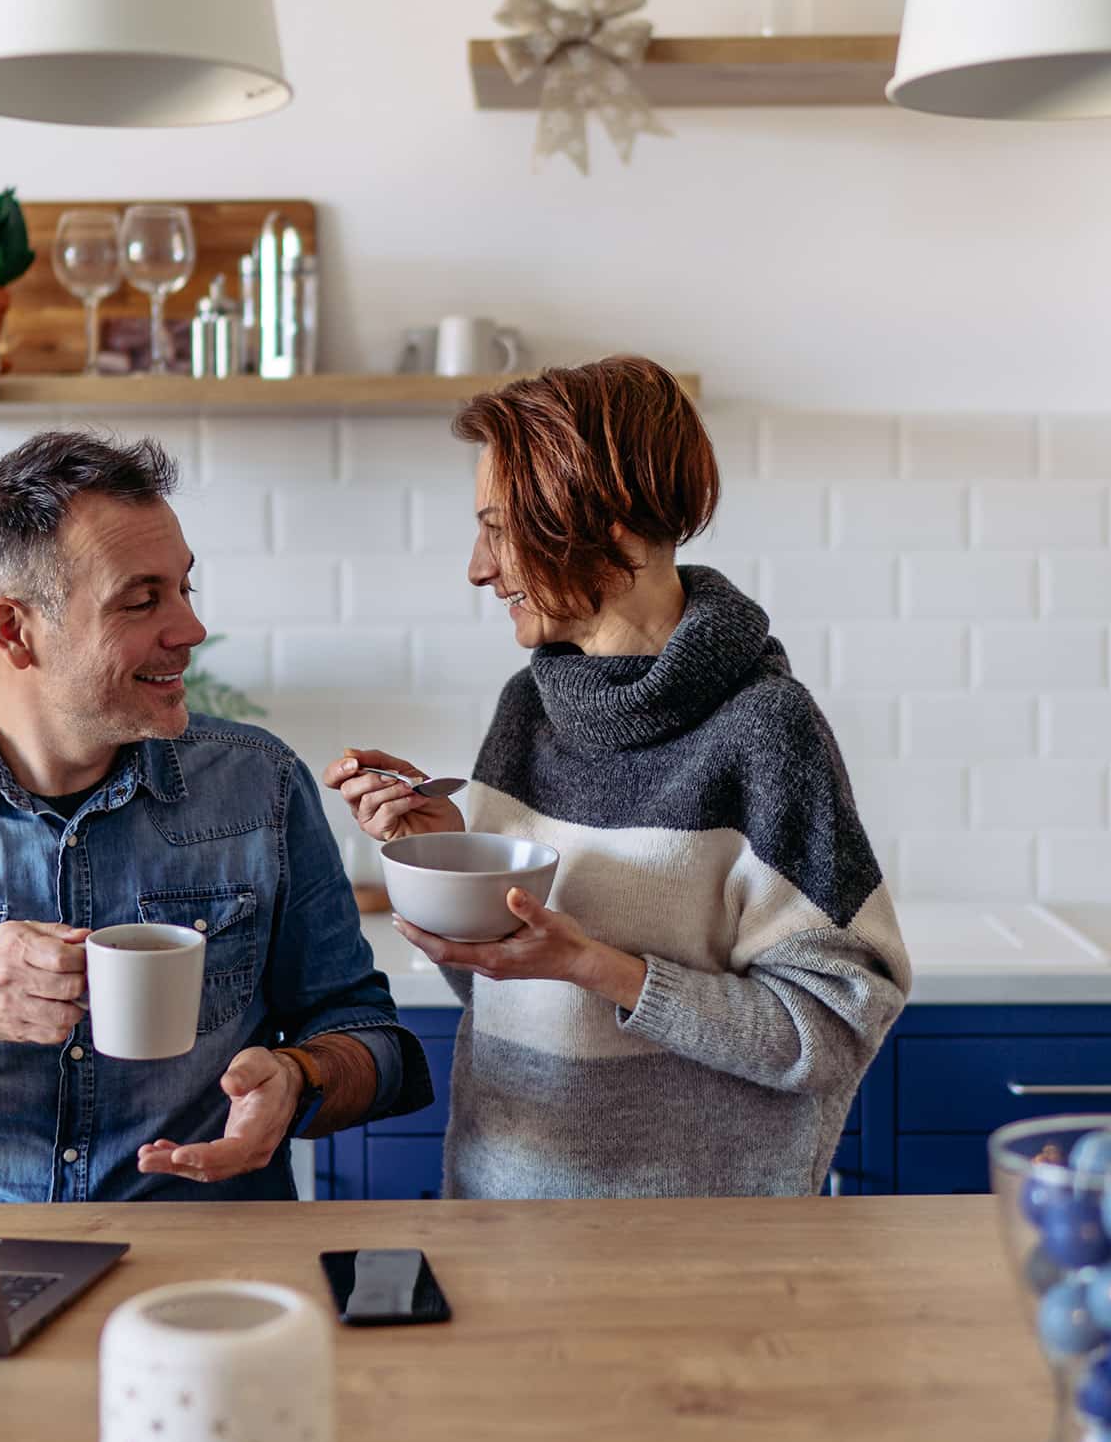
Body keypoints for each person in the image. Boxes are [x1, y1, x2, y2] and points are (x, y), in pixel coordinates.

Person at [0, 431, 430, 1202]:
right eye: (142, 600)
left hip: (208, 1275)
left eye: (183, 588)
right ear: (14, 630)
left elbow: (378, 1042)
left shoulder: (259, 787)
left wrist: (301, 1075)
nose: (190, 629)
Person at [326, 356, 909, 1197]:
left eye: (501, 528)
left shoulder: (764, 731)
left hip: (689, 1255)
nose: (479, 568)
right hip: (499, 1215)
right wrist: (445, 861)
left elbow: (837, 1024)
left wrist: (602, 967)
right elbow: (493, 981)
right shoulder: (526, 709)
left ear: (614, 529)